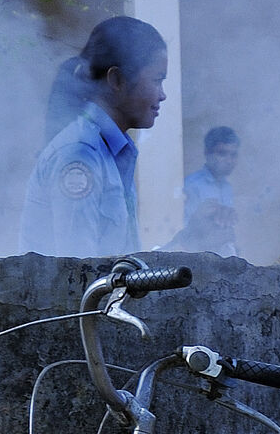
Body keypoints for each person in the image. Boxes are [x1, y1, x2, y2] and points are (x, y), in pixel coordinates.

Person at [20, 16, 167, 257]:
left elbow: (120, 266)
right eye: (157, 80)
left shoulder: (112, 151)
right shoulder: (78, 156)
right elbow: (79, 272)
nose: (162, 96)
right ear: (117, 80)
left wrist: (191, 236)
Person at [169, 125, 240, 254]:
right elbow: (187, 231)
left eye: (233, 154)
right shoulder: (192, 186)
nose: (229, 160)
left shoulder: (227, 187)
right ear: (207, 153)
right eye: (222, 153)